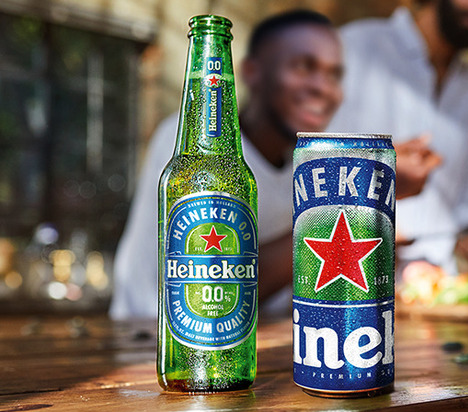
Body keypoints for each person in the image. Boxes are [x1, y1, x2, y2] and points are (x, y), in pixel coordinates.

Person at [111, 10, 440, 320]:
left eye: (334, 75)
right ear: (251, 72)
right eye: (302, 67)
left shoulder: (303, 162)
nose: (323, 88)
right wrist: (364, 189)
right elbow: (216, 289)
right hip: (159, 348)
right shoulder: (195, 145)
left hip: (261, 349)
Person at [327, 0, 468, 274]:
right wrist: (379, 178)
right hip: (348, 280)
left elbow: (464, 203)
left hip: (438, 288)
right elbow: (306, 169)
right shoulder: (354, 48)